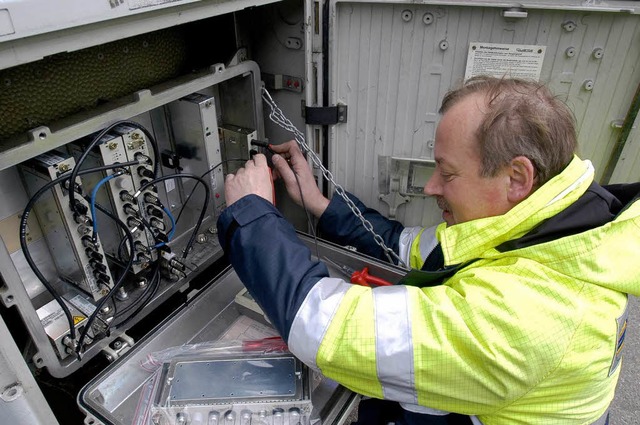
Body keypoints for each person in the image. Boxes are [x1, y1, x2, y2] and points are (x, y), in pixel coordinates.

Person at [216, 76, 640, 424]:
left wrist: (252, 216)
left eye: (447, 172)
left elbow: (326, 328)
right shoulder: (552, 229)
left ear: (516, 178)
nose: (432, 187)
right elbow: (410, 248)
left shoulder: (531, 316)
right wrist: (320, 204)